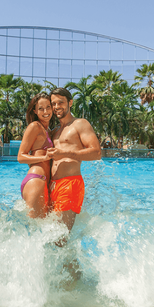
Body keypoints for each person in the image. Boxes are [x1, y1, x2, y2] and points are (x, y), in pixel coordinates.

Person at [46, 87, 101, 234]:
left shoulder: (80, 124)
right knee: (53, 237)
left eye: (60, 102)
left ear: (70, 103)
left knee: (60, 238)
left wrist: (64, 153)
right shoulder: (55, 130)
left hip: (70, 184)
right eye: (53, 104)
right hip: (53, 186)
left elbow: (96, 152)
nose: (56, 107)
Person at [17, 92, 55, 219]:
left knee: (42, 231)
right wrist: (43, 158)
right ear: (35, 111)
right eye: (41, 108)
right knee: (34, 232)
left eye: (48, 107)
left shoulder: (48, 131)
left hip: (44, 182)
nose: (45, 111)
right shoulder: (34, 127)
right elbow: (21, 157)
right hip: (37, 180)